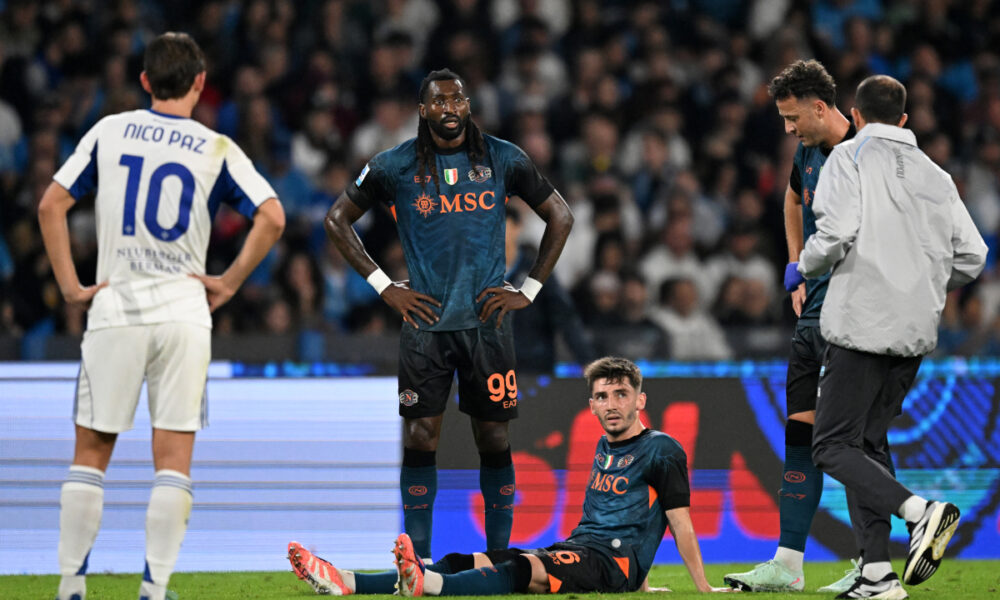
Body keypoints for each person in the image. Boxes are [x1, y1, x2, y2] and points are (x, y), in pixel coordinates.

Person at [37, 33, 285, 600]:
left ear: (145, 82)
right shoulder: (216, 147)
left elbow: (51, 203)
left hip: (116, 307)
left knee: (91, 454)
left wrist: (71, 286)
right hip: (182, 313)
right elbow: (271, 215)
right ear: (200, 83)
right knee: (172, 460)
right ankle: (154, 589)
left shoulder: (108, 131)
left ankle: (71, 587)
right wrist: (228, 281)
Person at [323, 68, 574, 559]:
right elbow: (337, 220)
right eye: (439, 102)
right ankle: (416, 561)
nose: (450, 109)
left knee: (494, 434)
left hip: (489, 324)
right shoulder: (392, 166)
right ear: (423, 111)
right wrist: (383, 287)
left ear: (469, 106)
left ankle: (500, 557)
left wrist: (529, 289)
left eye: (458, 100)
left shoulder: (504, 158)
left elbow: (560, 216)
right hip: (424, 325)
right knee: (420, 434)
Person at [287, 356, 731, 595]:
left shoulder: (663, 449)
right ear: (591, 405)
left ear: (640, 400)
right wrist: (645, 582)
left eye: (621, 394)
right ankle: (345, 580)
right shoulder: (604, 445)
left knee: (524, 569)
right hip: (583, 549)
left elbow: (679, 521)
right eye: (602, 396)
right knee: (468, 560)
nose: (611, 403)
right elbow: (628, 516)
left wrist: (702, 587)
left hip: (610, 564)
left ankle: (429, 588)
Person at [785, 74, 987, 599]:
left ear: (854, 115)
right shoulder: (939, 177)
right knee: (867, 445)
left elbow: (834, 233)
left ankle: (921, 513)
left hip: (860, 326)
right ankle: (877, 575)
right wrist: (917, 279)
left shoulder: (847, 159)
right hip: (915, 332)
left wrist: (801, 266)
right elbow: (973, 256)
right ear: (903, 120)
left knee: (830, 445)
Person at [724, 59, 857, 594]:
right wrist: (794, 266)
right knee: (800, 436)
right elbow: (791, 199)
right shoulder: (807, 153)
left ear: (820, 107)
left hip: (852, 320)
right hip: (813, 316)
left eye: (792, 117)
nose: (787, 129)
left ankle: (873, 563)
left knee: (853, 441)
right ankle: (788, 564)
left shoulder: (862, 156)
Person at [504, 207, 594, 373]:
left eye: (502, 226)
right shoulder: (480, 273)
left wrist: (586, 359)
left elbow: (564, 315)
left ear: (517, 228)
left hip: (533, 366)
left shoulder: (538, 270)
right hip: (493, 369)